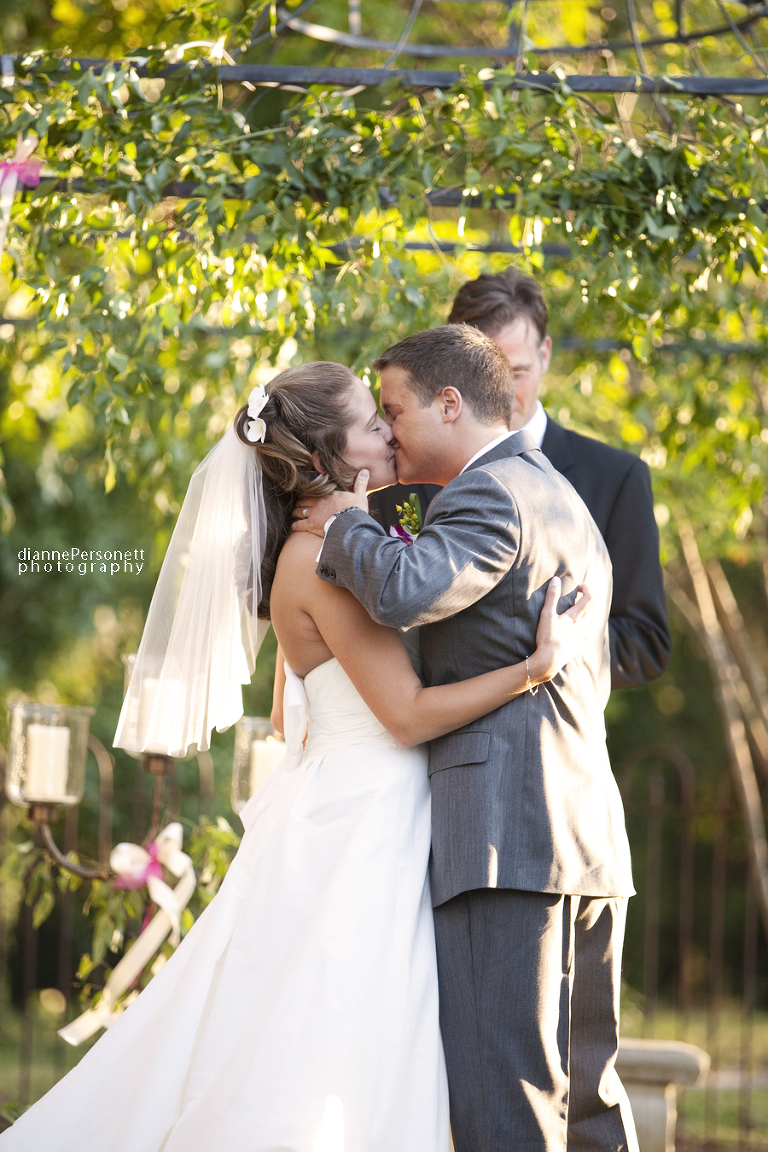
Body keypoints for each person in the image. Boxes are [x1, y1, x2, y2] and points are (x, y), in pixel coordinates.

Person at [2, 362, 594, 1152]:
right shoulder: (326, 558)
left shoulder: (321, 548)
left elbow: (289, 712)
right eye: (370, 422)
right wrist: (533, 669)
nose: (389, 430)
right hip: (368, 821)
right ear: (325, 457)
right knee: (342, 1036)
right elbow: (410, 716)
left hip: (337, 800)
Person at [294, 326, 638, 1152]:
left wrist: (341, 521)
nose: (391, 432)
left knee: (505, 1102)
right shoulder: (558, 493)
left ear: (451, 404)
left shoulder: (491, 493)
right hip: (584, 838)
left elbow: (407, 590)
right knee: (588, 1104)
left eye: (395, 410)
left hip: (506, 841)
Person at [371, 268, 671, 689]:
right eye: (478, 375)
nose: (500, 391)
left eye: (517, 372)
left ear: (545, 354)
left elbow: (646, 644)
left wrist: (537, 651)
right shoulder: (402, 470)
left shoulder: (615, 477)